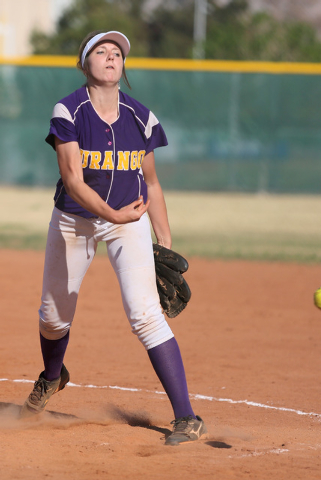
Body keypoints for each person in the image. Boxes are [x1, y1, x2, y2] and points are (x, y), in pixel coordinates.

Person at [20, 30, 206, 446]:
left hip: (129, 220)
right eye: (100, 51)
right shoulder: (68, 111)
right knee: (53, 317)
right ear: (84, 63)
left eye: (117, 52)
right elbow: (72, 179)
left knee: (145, 313)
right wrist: (112, 214)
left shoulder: (141, 116)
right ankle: (52, 377)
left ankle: (187, 418)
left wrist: (165, 240)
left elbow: (152, 183)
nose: (110, 57)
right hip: (75, 220)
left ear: (123, 66)